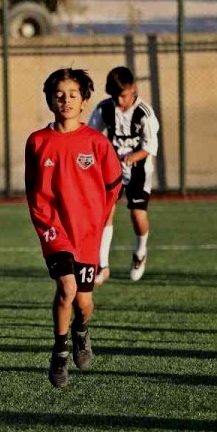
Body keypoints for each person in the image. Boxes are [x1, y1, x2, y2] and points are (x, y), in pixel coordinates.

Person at [25, 69, 123, 388]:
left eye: (72, 95)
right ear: (49, 100)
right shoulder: (37, 141)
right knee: (65, 288)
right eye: (59, 95)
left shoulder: (97, 143)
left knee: (83, 301)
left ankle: (81, 331)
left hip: (87, 234)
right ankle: (59, 352)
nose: (65, 100)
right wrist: (44, 222)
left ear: (84, 100)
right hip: (53, 228)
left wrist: (102, 219)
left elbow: (112, 186)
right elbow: (33, 189)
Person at [87, 66, 161, 284]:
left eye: (123, 95)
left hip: (139, 169)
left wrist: (132, 156)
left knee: (137, 215)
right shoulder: (104, 109)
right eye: (114, 96)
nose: (119, 101)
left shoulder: (143, 113)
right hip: (112, 169)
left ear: (133, 89)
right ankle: (103, 265)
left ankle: (140, 253)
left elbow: (150, 146)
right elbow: (91, 136)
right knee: (105, 213)